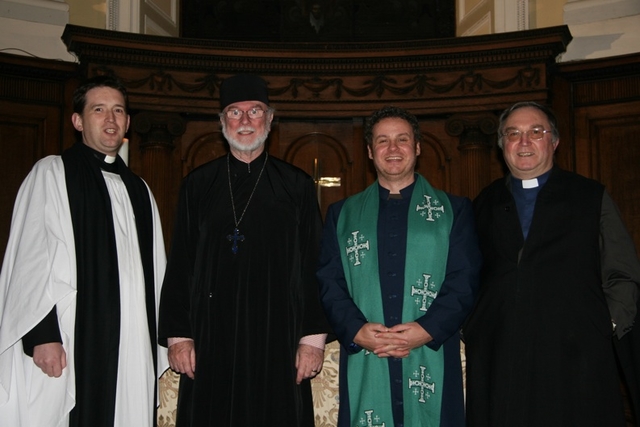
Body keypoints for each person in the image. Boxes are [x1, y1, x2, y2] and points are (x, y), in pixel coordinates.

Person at [158, 74, 330, 426]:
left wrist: (312, 341)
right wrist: (179, 337)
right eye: (235, 113)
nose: (246, 121)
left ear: (269, 119)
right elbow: (180, 265)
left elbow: (315, 265)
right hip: (210, 338)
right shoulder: (198, 185)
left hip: (278, 337)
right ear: (222, 122)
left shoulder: (296, 186)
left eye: (255, 111)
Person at [0, 75, 167, 427]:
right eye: (99, 110)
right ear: (78, 121)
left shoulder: (139, 189)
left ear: (128, 122)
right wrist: (42, 336)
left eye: (118, 110)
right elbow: (31, 261)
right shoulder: (52, 173)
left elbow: (158, 272)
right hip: (72, 339)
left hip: (132, 340)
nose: (110, 119)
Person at [463, 101, 640, 427]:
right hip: (501, 353)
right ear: (503, 145)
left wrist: (605, 326)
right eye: (513, 134)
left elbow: (623, 271)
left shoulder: (590, 196)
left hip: (574, 354)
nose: (524, 142)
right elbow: (467, 274)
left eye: (536, 132)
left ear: (554, 142)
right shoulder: (483, 203)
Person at [317, 105, 482, 427]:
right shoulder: (342, 214)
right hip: (366, 351)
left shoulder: (455, 210)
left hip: (430, 349)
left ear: (417, 148)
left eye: (402, 139)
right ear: (369, 151)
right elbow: (328, 279)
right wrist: (356, 330)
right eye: (382, 141)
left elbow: (465, 278)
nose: (392, 149)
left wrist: (427, 329)